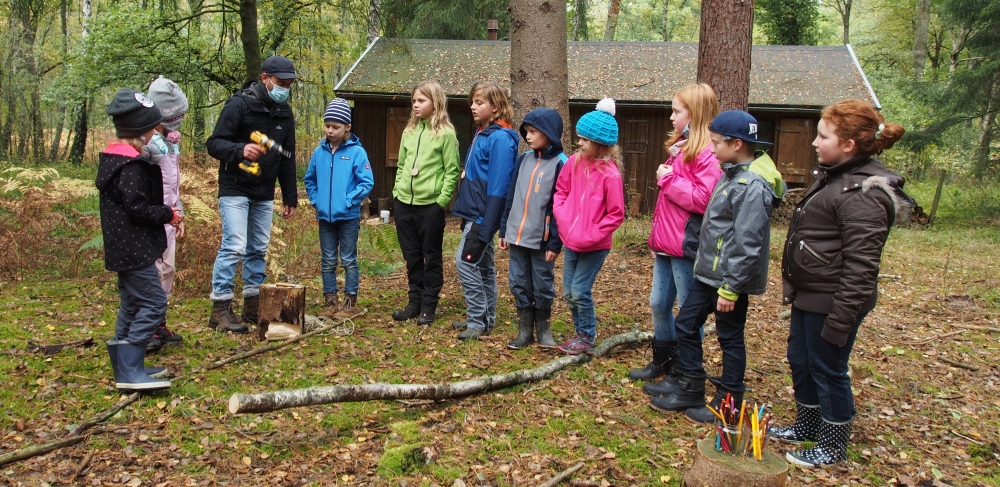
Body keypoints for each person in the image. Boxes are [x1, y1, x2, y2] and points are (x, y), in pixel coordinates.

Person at [775, 99, 910, 467]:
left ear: (848, 144)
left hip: (834, 301)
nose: (815, 143)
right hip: (811, 295)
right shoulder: (834, 178)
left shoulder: (864, 193)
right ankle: (807, 425)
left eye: (823, 136)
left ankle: (833, 443)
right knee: (801, 361)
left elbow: (862, 268)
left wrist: (841, 319)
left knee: (827, 367)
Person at [649, 110, 785, 423]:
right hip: (707, 272)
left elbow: (747, 243)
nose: (711, 149)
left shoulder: (752, 185)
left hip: (727, 282)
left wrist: (731, 288)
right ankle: (691, 384)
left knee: (730, 338)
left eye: (716, 143)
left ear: (737, 144)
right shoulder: (730, 172)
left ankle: (729, 401)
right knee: (686, 323)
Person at [631, 83, 722, 388]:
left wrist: (667, 179)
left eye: (676, 111)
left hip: (687, 247)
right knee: (658, 303)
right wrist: (655, 240)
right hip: (667, 245)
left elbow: (704, 200)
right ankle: (664, 359)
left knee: (687, 311)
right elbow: (667, 207)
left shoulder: (708, 154)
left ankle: (686, 368)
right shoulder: (680, 150)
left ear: (694, 114)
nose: (671, 117)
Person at [98, 89, 184, 390]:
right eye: (152, 128)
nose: (156, 133)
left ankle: (124, 365)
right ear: (140, 130)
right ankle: (131, 367)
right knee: (153, 301)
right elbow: (138, 209)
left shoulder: (113, 160)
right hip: (134, 249)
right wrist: (168, 214)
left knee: (131, 303)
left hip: (123, 247)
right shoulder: (131, 166)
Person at [206, 55, 299, 334]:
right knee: (234, 245)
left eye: (289, 84)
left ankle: (252, 304)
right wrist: (240, 150)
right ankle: (220, 308)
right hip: (235, 187)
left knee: (257, 248)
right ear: (265, 79)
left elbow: (287, 158)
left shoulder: (285, 113)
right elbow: (214, 143)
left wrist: (290, 196)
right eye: (281, 82)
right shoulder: (239, 104)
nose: (285, 88)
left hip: (264, 191)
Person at [552, 98, 626, 355]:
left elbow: (616, 215)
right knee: (569, 292)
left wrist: (591, 234)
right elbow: (561, 191)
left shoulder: (611, 175)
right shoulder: (573, 162)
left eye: (584, 139)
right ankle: (578, 332)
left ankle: (586, 335)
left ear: (598, 143)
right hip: (571, 241)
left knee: (580, 290)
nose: (579, 143)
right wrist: (563, 218)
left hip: (594, 246)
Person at [453, 81, 519, 341]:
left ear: (496, 107)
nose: (473, 106)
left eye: (479, 102)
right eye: (473, 101)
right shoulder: (483, 133)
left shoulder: (501, 138)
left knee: (465, 262)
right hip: (475, 213)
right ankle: (486, 318)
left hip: (483, 215)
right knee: (483, 267)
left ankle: (477, 319)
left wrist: (487, 223)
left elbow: (499, 186)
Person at [391, 81, 461, 325]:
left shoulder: (446, 133)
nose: (415, 105)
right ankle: (415, 302)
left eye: (421, 101)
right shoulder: (409, 131)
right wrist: (396, 192)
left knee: (430, 256)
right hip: (404, 203)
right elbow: (401, 166)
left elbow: (452, 171)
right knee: (411, 256)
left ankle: (429, 306)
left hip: (430, 206)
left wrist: (440, 202)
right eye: (414, 101)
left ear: (435, 103)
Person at [497, 107, 566, 349]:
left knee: (542, 283)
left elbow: (560, 207)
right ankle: (524, 329)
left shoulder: (560, 165)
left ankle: (544, 329)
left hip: (542, 240)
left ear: (550, 134)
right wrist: (504, 230)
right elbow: (511, 196)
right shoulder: (524, 159)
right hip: (517, 235)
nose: (528, 136)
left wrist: (555, 242)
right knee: (518, 281)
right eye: (527, 131)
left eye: (534, 131)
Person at [304, 98, 374, 319]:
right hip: (325, 217)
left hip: (348, 217)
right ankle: (330, 302)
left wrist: (348, 201)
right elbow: (310, 180)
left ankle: (349, 303)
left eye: (335, 127)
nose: (330, 131)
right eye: (327, 126)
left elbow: (366, 182)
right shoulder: (319, 153)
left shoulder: (356, 152)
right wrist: (317, 200)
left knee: (348, 259)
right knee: (327, 261)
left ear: (347, 127)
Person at [144, 76, 188, 351]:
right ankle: (145, 327)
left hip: (170, 217)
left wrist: (179, 212)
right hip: (152, 217)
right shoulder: (146, 143)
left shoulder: (172, 142)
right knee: (153, 271)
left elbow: (174, 182)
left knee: (168, 269)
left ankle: (159, 321)